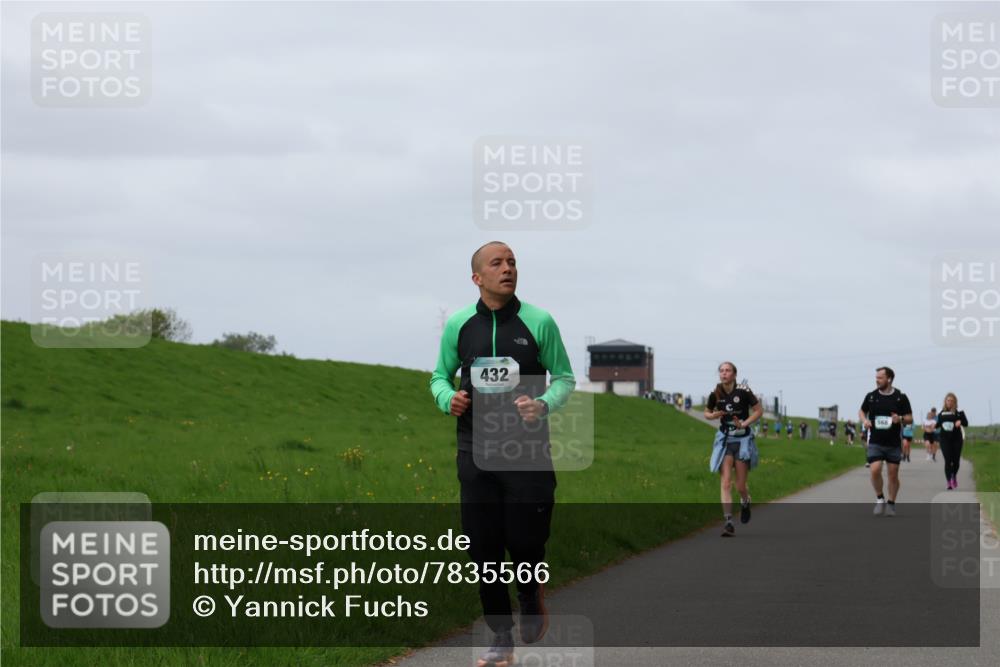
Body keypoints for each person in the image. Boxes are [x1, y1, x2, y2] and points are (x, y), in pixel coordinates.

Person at [430, 241, 575, 667]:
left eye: (512, 262)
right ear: (477, 277)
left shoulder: (539, 321)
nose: (507, 268)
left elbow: (564, 377)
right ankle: (499, 636)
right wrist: (447, 399)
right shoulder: (459, 324)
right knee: (483, 547)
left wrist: (543, 403)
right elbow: (440, 376)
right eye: (497, 263)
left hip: (527, 451)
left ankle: (530, 593)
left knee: (526, 541)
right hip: (475, 448)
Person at [705, 362, 763, 537]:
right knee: (725, 483)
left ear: (735, 374)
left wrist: (744, 423)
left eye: (727, 370)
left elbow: (759, 410)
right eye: (721, 371)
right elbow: (707, 412)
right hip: (725, 441)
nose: (724, 374)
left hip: (743, 440)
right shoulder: (715, 393)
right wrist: (713, 415)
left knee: (740, 486)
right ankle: (728, 522)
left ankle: (745, 501)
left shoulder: (744, 390)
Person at [859, 367, 913, 517]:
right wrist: (865, 420)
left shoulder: (900, 397)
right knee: (875, 469)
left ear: (889, 379)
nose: (877, 380)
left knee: (893, 475)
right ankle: (880, 498)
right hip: (875, 441)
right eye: (876, 377)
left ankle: (891, 504)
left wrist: (900, 419)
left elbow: (909, 418)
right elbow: (862, 411)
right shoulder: (871, 396)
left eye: (880, 377)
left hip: (893, 443)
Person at [936, 393, 969, 490]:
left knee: (956, 461)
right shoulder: (941, 413)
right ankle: (949, 482)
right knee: (948, 460)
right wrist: (933, 426)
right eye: (948, 400)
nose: (949, 402)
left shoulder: (959, 413)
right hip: (944, 439)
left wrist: (960, 422)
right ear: (945, 402)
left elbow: (966, 423)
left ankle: (953, 476)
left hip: (956, 439)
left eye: (951, 400)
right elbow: (938, 424)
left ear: (955, 402)